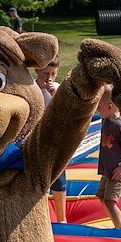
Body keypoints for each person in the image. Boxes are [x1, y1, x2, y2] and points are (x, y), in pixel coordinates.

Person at [96, 87, 121, 229]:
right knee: (102, 197)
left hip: (117, 172)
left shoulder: (119, 126)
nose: (97, 109)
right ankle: (115, 223)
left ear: (110, 107)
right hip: (108, 170)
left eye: (99, 106)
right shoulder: (105, 120)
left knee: (110, 202)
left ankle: (120, 229)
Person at [36, 59, 68, 223]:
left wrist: (55, 95)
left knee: (59, 177)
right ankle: (40, 215)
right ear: (37, 70)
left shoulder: (58, 89)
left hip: (55, 140)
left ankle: (62, 218)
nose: (49, 78)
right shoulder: (32, 90)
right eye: (45, 73)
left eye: (53, 74)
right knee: (39, 179)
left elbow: (65, 113)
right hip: (36, 140)